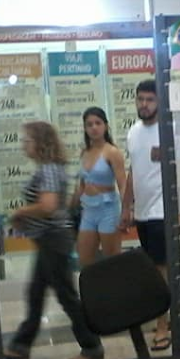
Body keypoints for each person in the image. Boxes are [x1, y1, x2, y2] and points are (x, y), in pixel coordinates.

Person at [4, 121, 104, 359]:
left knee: (66, 296)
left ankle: (92, 346)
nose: (23, 145)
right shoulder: (48, 168)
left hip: (53, 240)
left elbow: (48, 206)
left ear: (40, 143)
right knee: (36, 292)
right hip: (49, 240)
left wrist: (21, 212)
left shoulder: (49, 169)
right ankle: (20, 346)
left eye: (27, 140)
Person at [119, 79, 170, 351]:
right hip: (142, 212)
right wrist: (126, 206)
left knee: (162, 270)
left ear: (160, 101)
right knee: (153, 268)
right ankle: (164, 317)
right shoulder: (133, 132)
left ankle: (163, 326)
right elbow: (133, 171)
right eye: (140, 99)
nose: (144, 104)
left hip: (163, 211)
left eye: (150, 100)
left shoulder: (169, 130)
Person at [70, 107, 127, 267]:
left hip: (107, 209)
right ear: (85, 128)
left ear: (105, 126)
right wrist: (70, 207)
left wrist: (126, 211)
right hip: (88, 210)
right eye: (89, 124)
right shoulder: (85, 152)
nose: (94, 128)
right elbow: (81, 184)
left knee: (112, 261)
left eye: (98, 123)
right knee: (84, 259)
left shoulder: (112, 152)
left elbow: (122, 184)